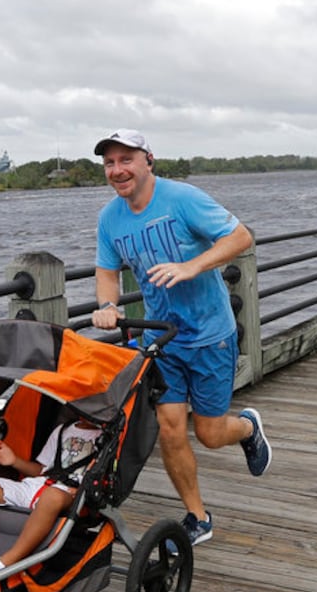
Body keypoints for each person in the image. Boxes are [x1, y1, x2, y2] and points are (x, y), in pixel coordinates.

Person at [89, 129, 271, 547]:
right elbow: (107, 269)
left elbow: (241, 236)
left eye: (126, 160)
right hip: (163, 338)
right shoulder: (109, 219)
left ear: (148, 160)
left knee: (208, 433)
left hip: (210, 335)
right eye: (109, 163)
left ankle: (246, 428)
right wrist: (108, 305)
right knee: (171, 430)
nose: (118, 170)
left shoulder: (182, 198)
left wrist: (191, 267)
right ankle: (197, 516)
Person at [0, 417, 102, 588]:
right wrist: (13, 461)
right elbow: (41, 470)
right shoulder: (63, 429)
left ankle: (6, 562)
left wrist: (85, 491)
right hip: (38, 486)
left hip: (70, 494)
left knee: (52, 496)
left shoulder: (106, 437)